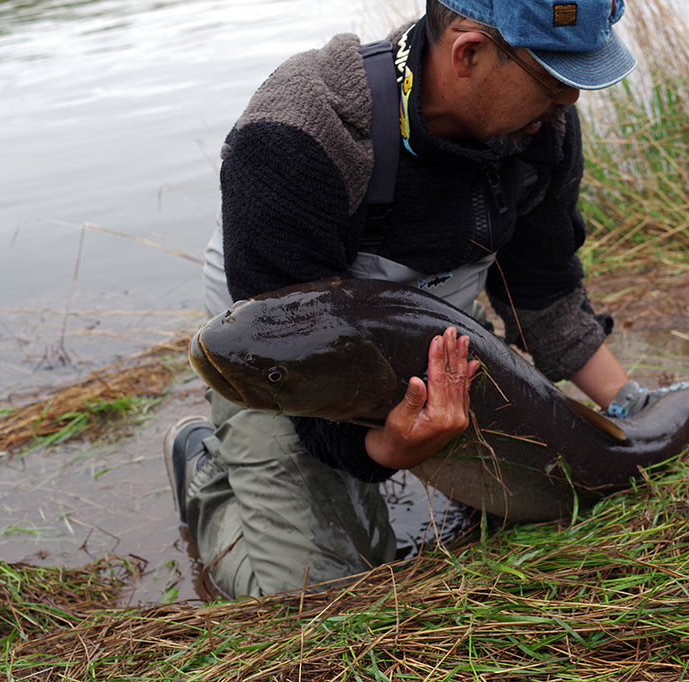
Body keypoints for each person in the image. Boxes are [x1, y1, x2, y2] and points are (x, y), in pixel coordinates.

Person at [166, 0, 660, 599]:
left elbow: (542, 290)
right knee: (319, 597)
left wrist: (635, 411)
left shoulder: (540, 125)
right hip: (281, 363)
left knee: (547, 492)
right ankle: (207, 474)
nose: (570, 101)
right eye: (555, 78)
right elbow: (302, 385)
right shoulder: (299, 132)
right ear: (469, 52)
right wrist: (383, 449)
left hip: (430, 330)